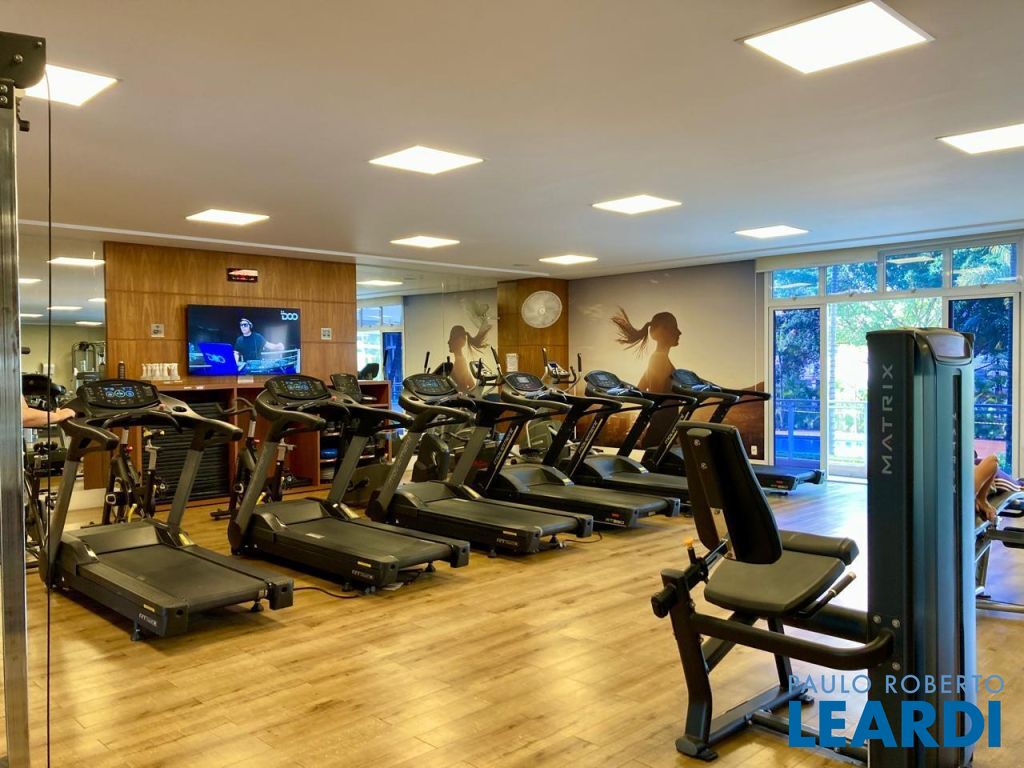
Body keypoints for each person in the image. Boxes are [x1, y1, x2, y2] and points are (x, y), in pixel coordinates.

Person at [611, 309, 682, 446]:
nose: (679, 332)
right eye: (675, 327)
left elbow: (640, 391)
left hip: (661, 434)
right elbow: (656, 399)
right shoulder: (659, 360)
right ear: (662, 330)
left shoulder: (658, 359)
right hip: (660, 436)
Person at [447, 323, 490, 393]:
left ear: (459, 340)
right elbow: (471, 385)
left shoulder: (460, 362)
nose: (448, 342)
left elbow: (464, 388)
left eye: (451, 338)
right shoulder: (461, 361)